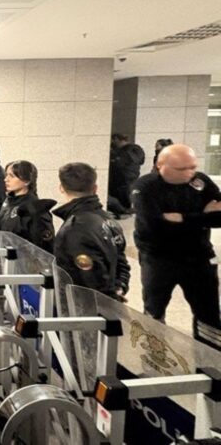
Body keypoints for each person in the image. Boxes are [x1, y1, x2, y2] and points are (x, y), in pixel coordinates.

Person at [131, 144, 221, 343]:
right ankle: (154, 352)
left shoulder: (200, 182)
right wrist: (203, 216)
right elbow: (153, 225)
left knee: (209, 312)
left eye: (193, 167)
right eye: (181, 169)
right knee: (154, 310)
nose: (189, 173)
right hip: (159, 257)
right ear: (160, 166)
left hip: (199, 256)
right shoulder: (145, 187)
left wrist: (183, 218)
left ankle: (211, 355)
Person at [53, 163, 130, 301]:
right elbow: (121, 261)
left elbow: (90, 280)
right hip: (108, 301)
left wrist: (111, 298)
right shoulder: (109, 220)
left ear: (61, 188)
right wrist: (120, 287)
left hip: (85, 306)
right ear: (95, 188)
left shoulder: (75, 229)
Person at [0, 160, 56, 253]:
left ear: (27, 181)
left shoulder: (35, 209)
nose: (6, 179)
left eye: (12, 176)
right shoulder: (9, 201)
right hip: (5, 255)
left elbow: (43, 249)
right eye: (6, 175)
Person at [108, 133, 144, 211]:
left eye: (113, 141)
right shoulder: (135, 149)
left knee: (124, 200)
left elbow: (120, 164)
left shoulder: (126, 151)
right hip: (127, 179)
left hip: (123, 180)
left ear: (117, 139)